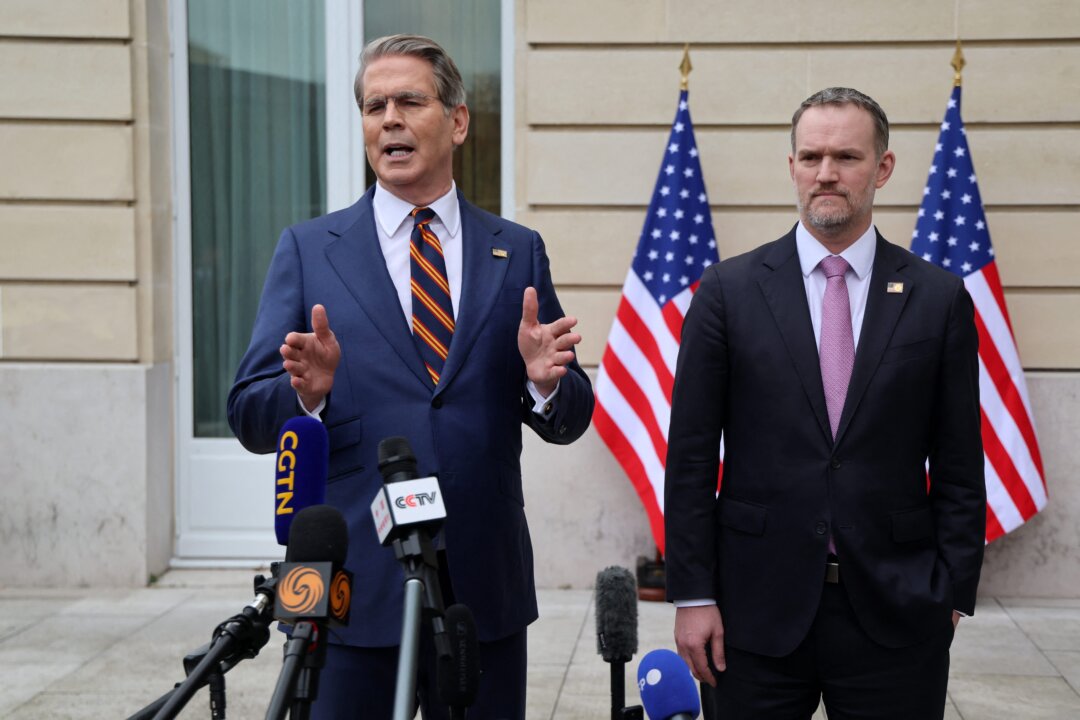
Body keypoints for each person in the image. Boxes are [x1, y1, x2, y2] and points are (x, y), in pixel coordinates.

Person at [227, 34, 594, 719]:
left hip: (481, 590)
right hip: (352, 593)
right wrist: (307, 394)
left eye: (409, 102)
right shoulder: (309, 251)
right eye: (375, 107)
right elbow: (248, 414)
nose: (389, 119)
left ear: (457, 121)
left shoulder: (516, 251)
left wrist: (545, 382)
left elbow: (572, 415)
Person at [664, 87, 986, 719]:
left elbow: (959, 464)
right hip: (752, 614)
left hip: (897, 614)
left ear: (883, 168)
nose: (827, 173)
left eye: (847, 157)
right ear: (792, 167)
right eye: (811, 157)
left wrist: (951, 591)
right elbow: (692, 458)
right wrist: (693, 594)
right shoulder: (727, 292)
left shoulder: (938, 299)